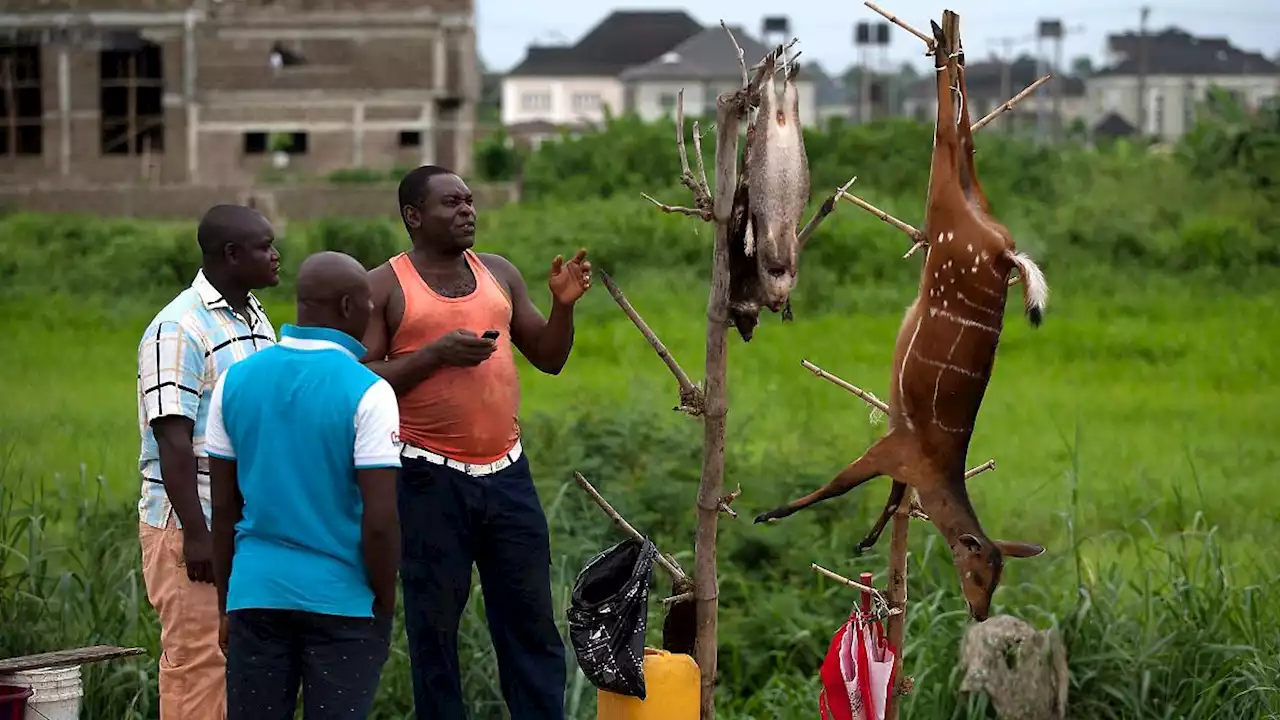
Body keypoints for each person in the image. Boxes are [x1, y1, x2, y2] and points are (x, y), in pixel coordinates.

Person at [361, 165, 591, 720]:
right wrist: (433, 356)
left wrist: (562, 306)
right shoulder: (385, 286)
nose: (467, 211)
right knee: (434, 628)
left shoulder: (498, 273)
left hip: (507, 474)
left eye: (469, 201)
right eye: (450, 203)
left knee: (531, 622)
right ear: (413, 216)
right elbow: (360, 376)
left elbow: (550, 358)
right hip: (425, 477)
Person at [207, 251, 402, 720]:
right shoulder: (370, 392)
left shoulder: (234, 381)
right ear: (349, 308)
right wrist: (383, 603)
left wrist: (226, 605)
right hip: (343, 602)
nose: (374, 312)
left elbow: (225, 510)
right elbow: (380, 521)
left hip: (254, 594)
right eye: (368, 304)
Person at [135, 203, 279, 720]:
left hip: (244, 522)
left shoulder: (255, 317)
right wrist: (197, 535)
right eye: (266, 247)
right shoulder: (178, 328)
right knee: (198, 665)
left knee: (242, 662)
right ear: (231, 254)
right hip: (192, 525)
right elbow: (172, 440)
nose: (276, 255)